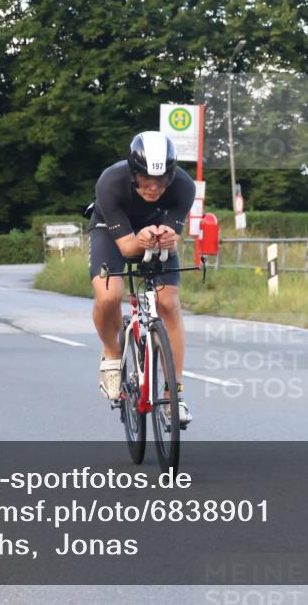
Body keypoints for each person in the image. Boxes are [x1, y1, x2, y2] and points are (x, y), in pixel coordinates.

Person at [88, 131, 195, 427]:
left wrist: (166, 239)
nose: (153, 187)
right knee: (109, 295)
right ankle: (111, 353)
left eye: (161, 180)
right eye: (146, 178)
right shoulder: (110, 183)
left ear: (172, 175)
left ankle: (175, 394)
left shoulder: (184, 186)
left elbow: (172, 240)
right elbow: (127, 248)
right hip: (110, 232)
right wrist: (142, 239)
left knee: (168, 303)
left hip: (155, 236)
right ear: (133, 172)